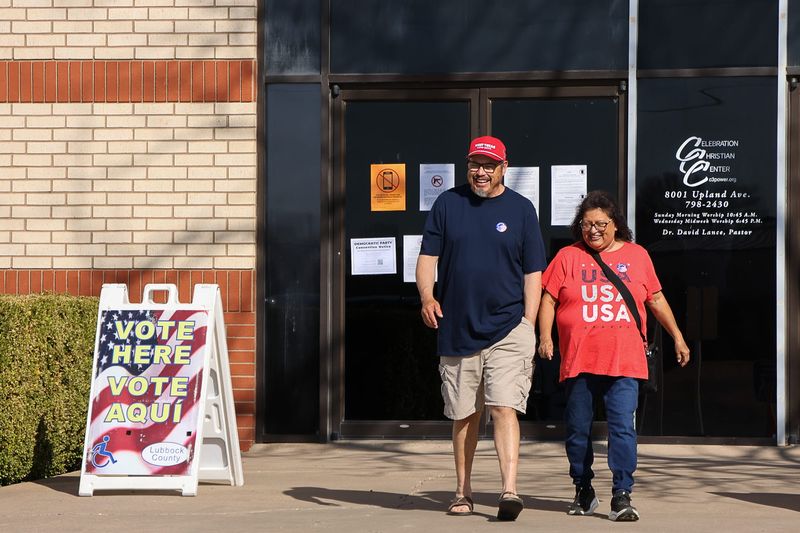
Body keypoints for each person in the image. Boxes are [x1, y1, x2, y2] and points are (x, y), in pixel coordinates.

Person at [537, 190, 690, 522]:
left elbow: (656, 300)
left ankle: (622, 494)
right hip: (578, 360)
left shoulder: (637, 256)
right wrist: (545, 337)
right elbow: (548, 298)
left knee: (622, 428)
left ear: (616, 224)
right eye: (587, 224)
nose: (593, 230)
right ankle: (583, 489)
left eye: (601, 224)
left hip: (624, 360)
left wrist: (678, 337)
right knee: (578, 429)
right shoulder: (567, 256)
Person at [416, 135, 547, 521]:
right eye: (475, 164)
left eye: (489, 165)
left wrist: (528, 323)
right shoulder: (447, 204)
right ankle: (463, 491)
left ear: (504, 167)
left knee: (505, 407)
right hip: (457, 327)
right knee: (464, 414)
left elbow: (533, 273)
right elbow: (427, 259)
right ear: (467, 166)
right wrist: (427, 296)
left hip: (509, 328)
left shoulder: (522, 210)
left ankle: (509, 489)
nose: (481, 172)